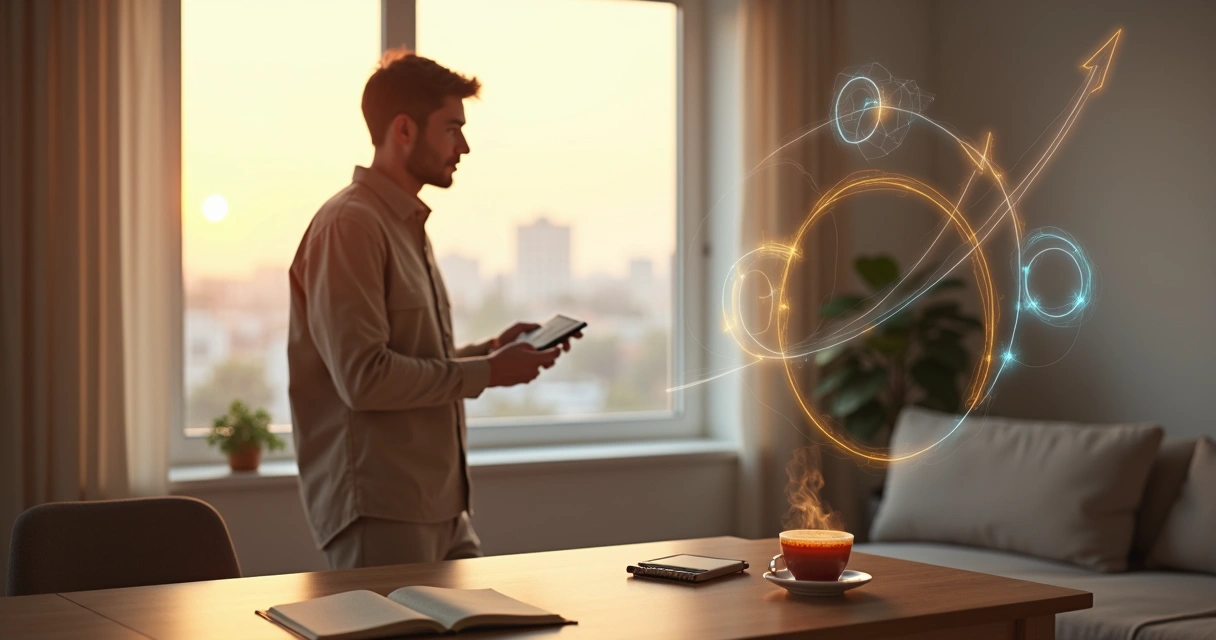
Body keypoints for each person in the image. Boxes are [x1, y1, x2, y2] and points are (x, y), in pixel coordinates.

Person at [287, 48, 576, 569]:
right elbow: (365, 379)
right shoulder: (350, 225)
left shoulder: (404, 226)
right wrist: (489, 371)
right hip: (381, 510)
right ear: (403, 130)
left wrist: (491, 351)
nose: (463, 146)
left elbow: (412, 360)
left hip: (441, 507)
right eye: (451, 128)